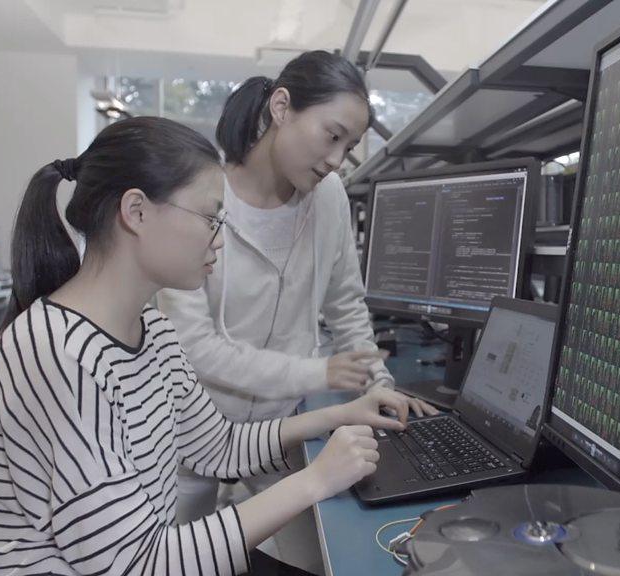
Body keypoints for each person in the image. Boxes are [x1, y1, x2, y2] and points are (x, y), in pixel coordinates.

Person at [0, 116, 412, 575]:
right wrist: (316, 480)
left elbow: (219, 447)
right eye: (211, 218)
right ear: (136, 212)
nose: (220, 241)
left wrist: (341, 413)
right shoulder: (58, 356)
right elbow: (134, 566)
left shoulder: (152, 330)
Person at [156, 50, 437, 561]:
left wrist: (381, 389)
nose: (336, 159)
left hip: (278, 433)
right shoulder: (202, 199)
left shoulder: (328, 197)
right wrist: (320, 372)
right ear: (281, 107)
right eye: (332, 136)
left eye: (349, 147)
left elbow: (347, 306)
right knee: (176, 562)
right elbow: (194, 348)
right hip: (190, 435)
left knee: (315, 559)